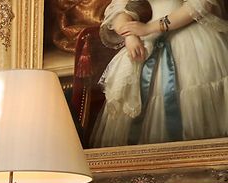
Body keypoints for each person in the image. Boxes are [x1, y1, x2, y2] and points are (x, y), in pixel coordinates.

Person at [90, 0, 228, 147]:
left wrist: (150, 28)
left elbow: (201, 3)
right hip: (148, 39)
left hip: (193, 42)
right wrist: (129, 35)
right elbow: (118, 8)